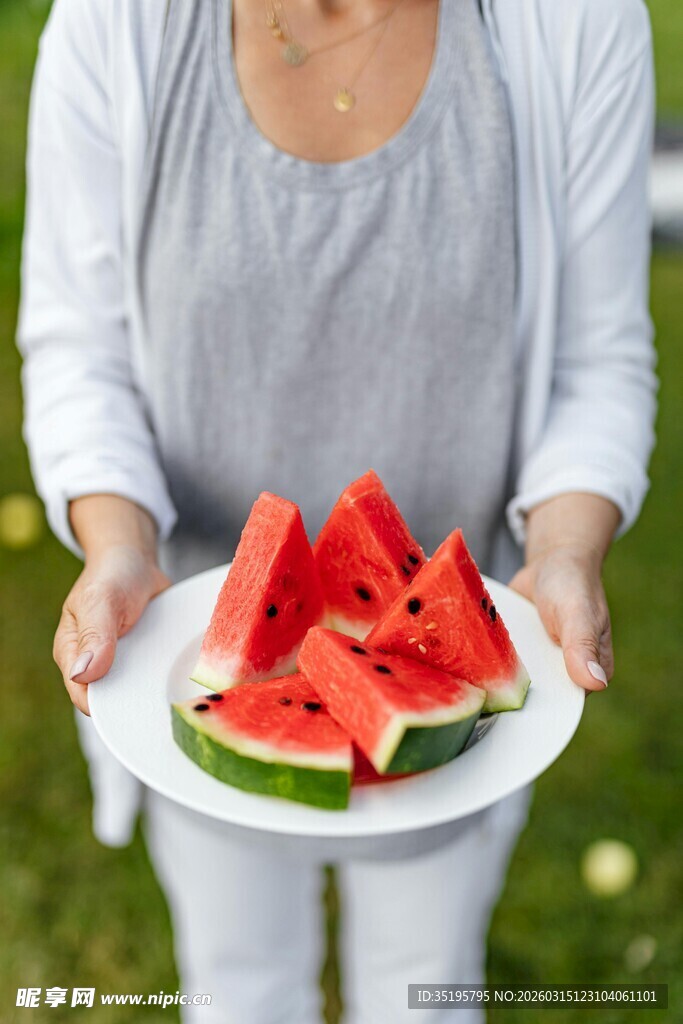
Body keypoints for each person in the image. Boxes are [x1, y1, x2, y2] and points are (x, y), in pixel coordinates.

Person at [18, 0, 657, 1020]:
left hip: (457, 662)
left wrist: (566, 550)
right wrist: (117, 544)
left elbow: (598, 361)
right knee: (236, 987)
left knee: (424, 990)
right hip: (184, 650)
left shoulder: (575, 24)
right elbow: (78, 351)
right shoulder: (117, 25)